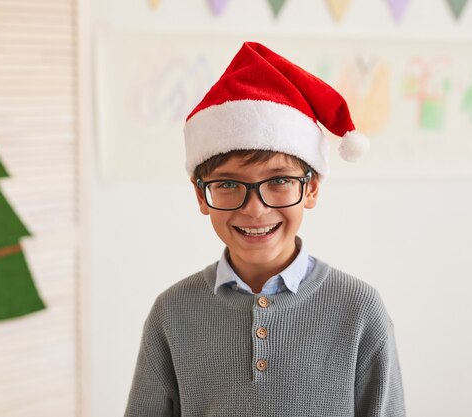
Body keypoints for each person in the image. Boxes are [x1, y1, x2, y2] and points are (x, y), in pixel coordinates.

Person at [124, 41, 405, 417]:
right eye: (227, 184)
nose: (255, 209)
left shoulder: (359, 309)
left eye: (278, 181)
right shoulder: (172, 312)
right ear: (200, 195)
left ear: (312, 187)